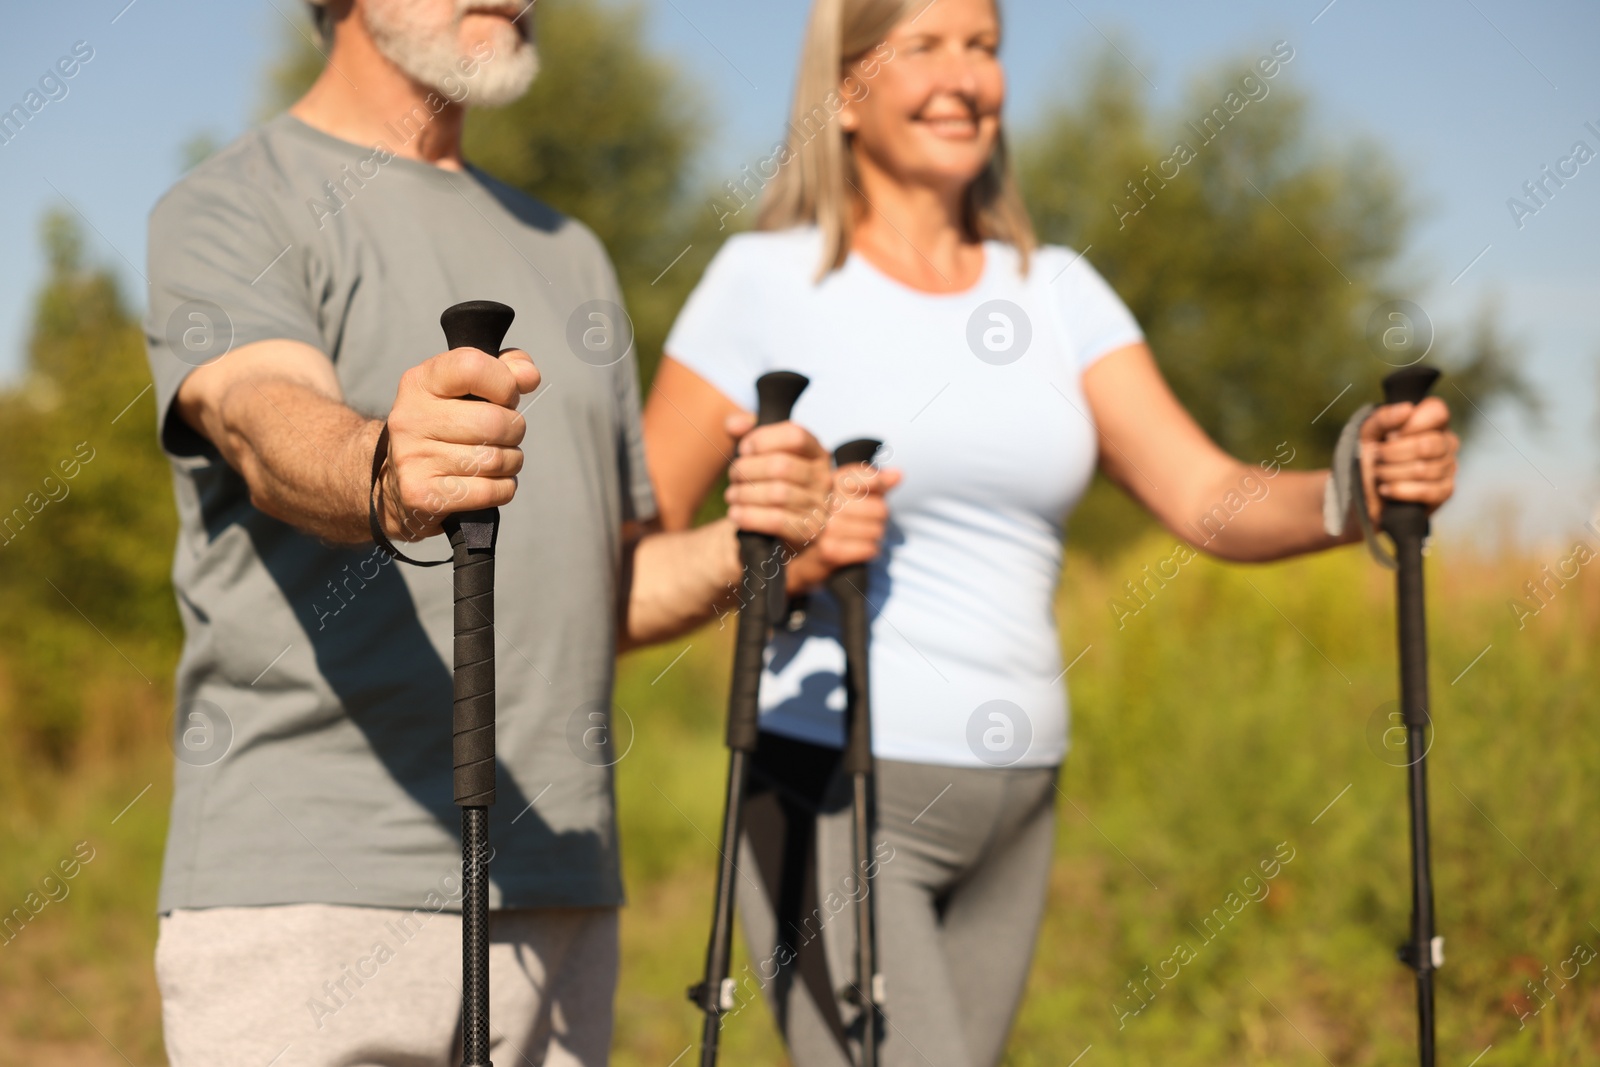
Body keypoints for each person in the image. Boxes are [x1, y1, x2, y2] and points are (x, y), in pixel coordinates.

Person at [642, 0, 1461, 1064]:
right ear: (843, 89)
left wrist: (1358, 485)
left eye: (983, 47)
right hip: (837, 779)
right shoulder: (759, 285)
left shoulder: (1059, 291)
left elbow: (1205, 493)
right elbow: (644, 547)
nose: (965, 75)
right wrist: (776, 555)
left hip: (1019, 794)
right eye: (924, 44)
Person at [140, 2, 873, 1064]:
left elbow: (605, 588)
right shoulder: (233, 202)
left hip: (558, 893)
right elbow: (260, 418)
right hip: (312, 898)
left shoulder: (567, 252)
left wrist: (752, 545)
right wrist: (387, 468)